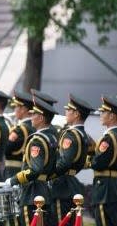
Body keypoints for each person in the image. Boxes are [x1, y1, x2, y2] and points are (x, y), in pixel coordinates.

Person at [4, 97, 58, 226]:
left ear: (41, 118)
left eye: (34, 114)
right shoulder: (52, 136)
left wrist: (13, 180)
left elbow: (35, 169)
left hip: (32, 193)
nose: (31, 116)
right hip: (45, 190)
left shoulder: (37, 140)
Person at [52, 94, 94, 224]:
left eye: (69, 110)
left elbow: (64, 162)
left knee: (61, 221)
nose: (66, 112)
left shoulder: (70, 135)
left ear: (76, 114)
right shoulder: (84, 135)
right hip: (73, 184)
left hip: (61, 186)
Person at [91, 95, 117, 226]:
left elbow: (98, 163)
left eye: (103, 112)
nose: (100, 114)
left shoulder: (108, 138)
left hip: (105, 190)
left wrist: (89, 160)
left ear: (112, 116)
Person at [4, 90, 35, 180]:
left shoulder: (20, 129)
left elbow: (6, 149)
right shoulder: (33, 127)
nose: (15, 110)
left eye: (17, 106)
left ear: (24, 109)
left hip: (13, 171)